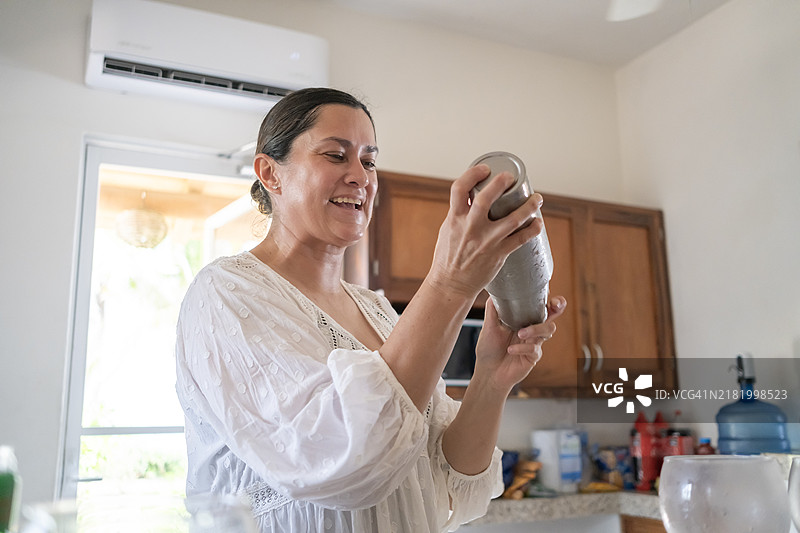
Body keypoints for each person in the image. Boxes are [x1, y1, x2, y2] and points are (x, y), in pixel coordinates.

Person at [175, 87, 566, 532]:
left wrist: (492, 378)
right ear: (270, 173)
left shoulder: (377, 311)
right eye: (336, 156)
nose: (360, 176)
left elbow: (444, 478)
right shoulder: (227, 295)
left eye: (369, 160)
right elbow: (343, 466)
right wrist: (449, 283)